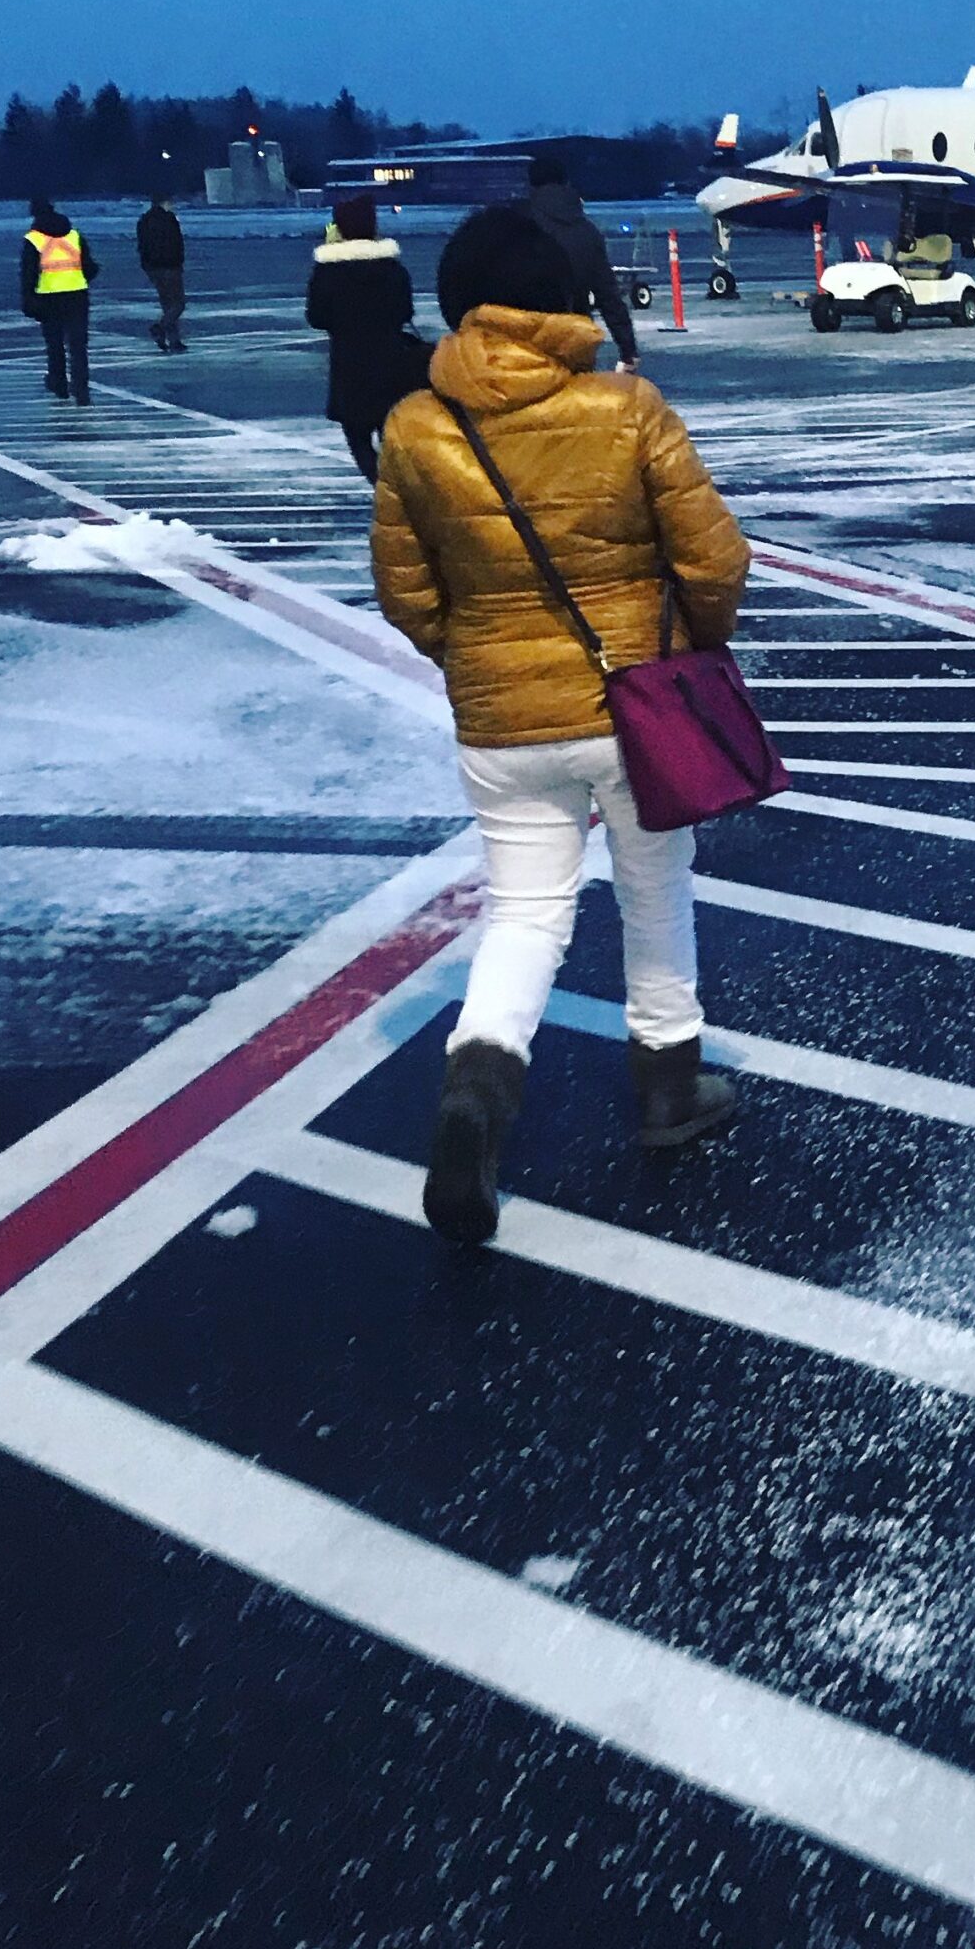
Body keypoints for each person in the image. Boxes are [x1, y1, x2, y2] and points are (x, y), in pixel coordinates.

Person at [370, 203, 752, 1246]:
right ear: (559, 305)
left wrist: (472, 660)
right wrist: (692, 643)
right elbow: (715, 559)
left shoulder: (414, 428)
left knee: (524, 914)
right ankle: (669, 1090)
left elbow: (405, 593)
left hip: (501, 725)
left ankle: (476, 1103)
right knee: (654, 892)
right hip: (635, 707)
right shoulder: (627, 411)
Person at [304, 193, 425, 477]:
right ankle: (399, 490)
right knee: (393, 435)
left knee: (358, 439)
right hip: (392, 363)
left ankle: (380, 486)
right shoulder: (393, 269)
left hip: (350, 366)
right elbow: (405, 312)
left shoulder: (328, 272)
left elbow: (316, 317)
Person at [523, 153, 641, 369]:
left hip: (525, 341)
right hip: (575, 337)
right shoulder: (586, 230)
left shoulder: (517, 225)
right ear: (566, 183)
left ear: (531, 184)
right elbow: (608, 296)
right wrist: (627, 348)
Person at [20, 197, 96, 404]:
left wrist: (28, 299)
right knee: (78, 345)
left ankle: (59, 384)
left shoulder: (34, 239)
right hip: (77, 294)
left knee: (55, 344)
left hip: (49, 297)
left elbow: (28, 273)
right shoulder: (74, 235)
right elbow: (89, 267)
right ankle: (82, 389)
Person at [136, 190, 186, 351]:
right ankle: (160, 327)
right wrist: (178, 261)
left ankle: (173, 340)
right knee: (178, 304)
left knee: (167, 303)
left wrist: (146, 265)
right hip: (170, 266)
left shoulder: (144, 221)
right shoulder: (169, 219)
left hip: (153, 268)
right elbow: (176, 243)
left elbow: (142, 246)